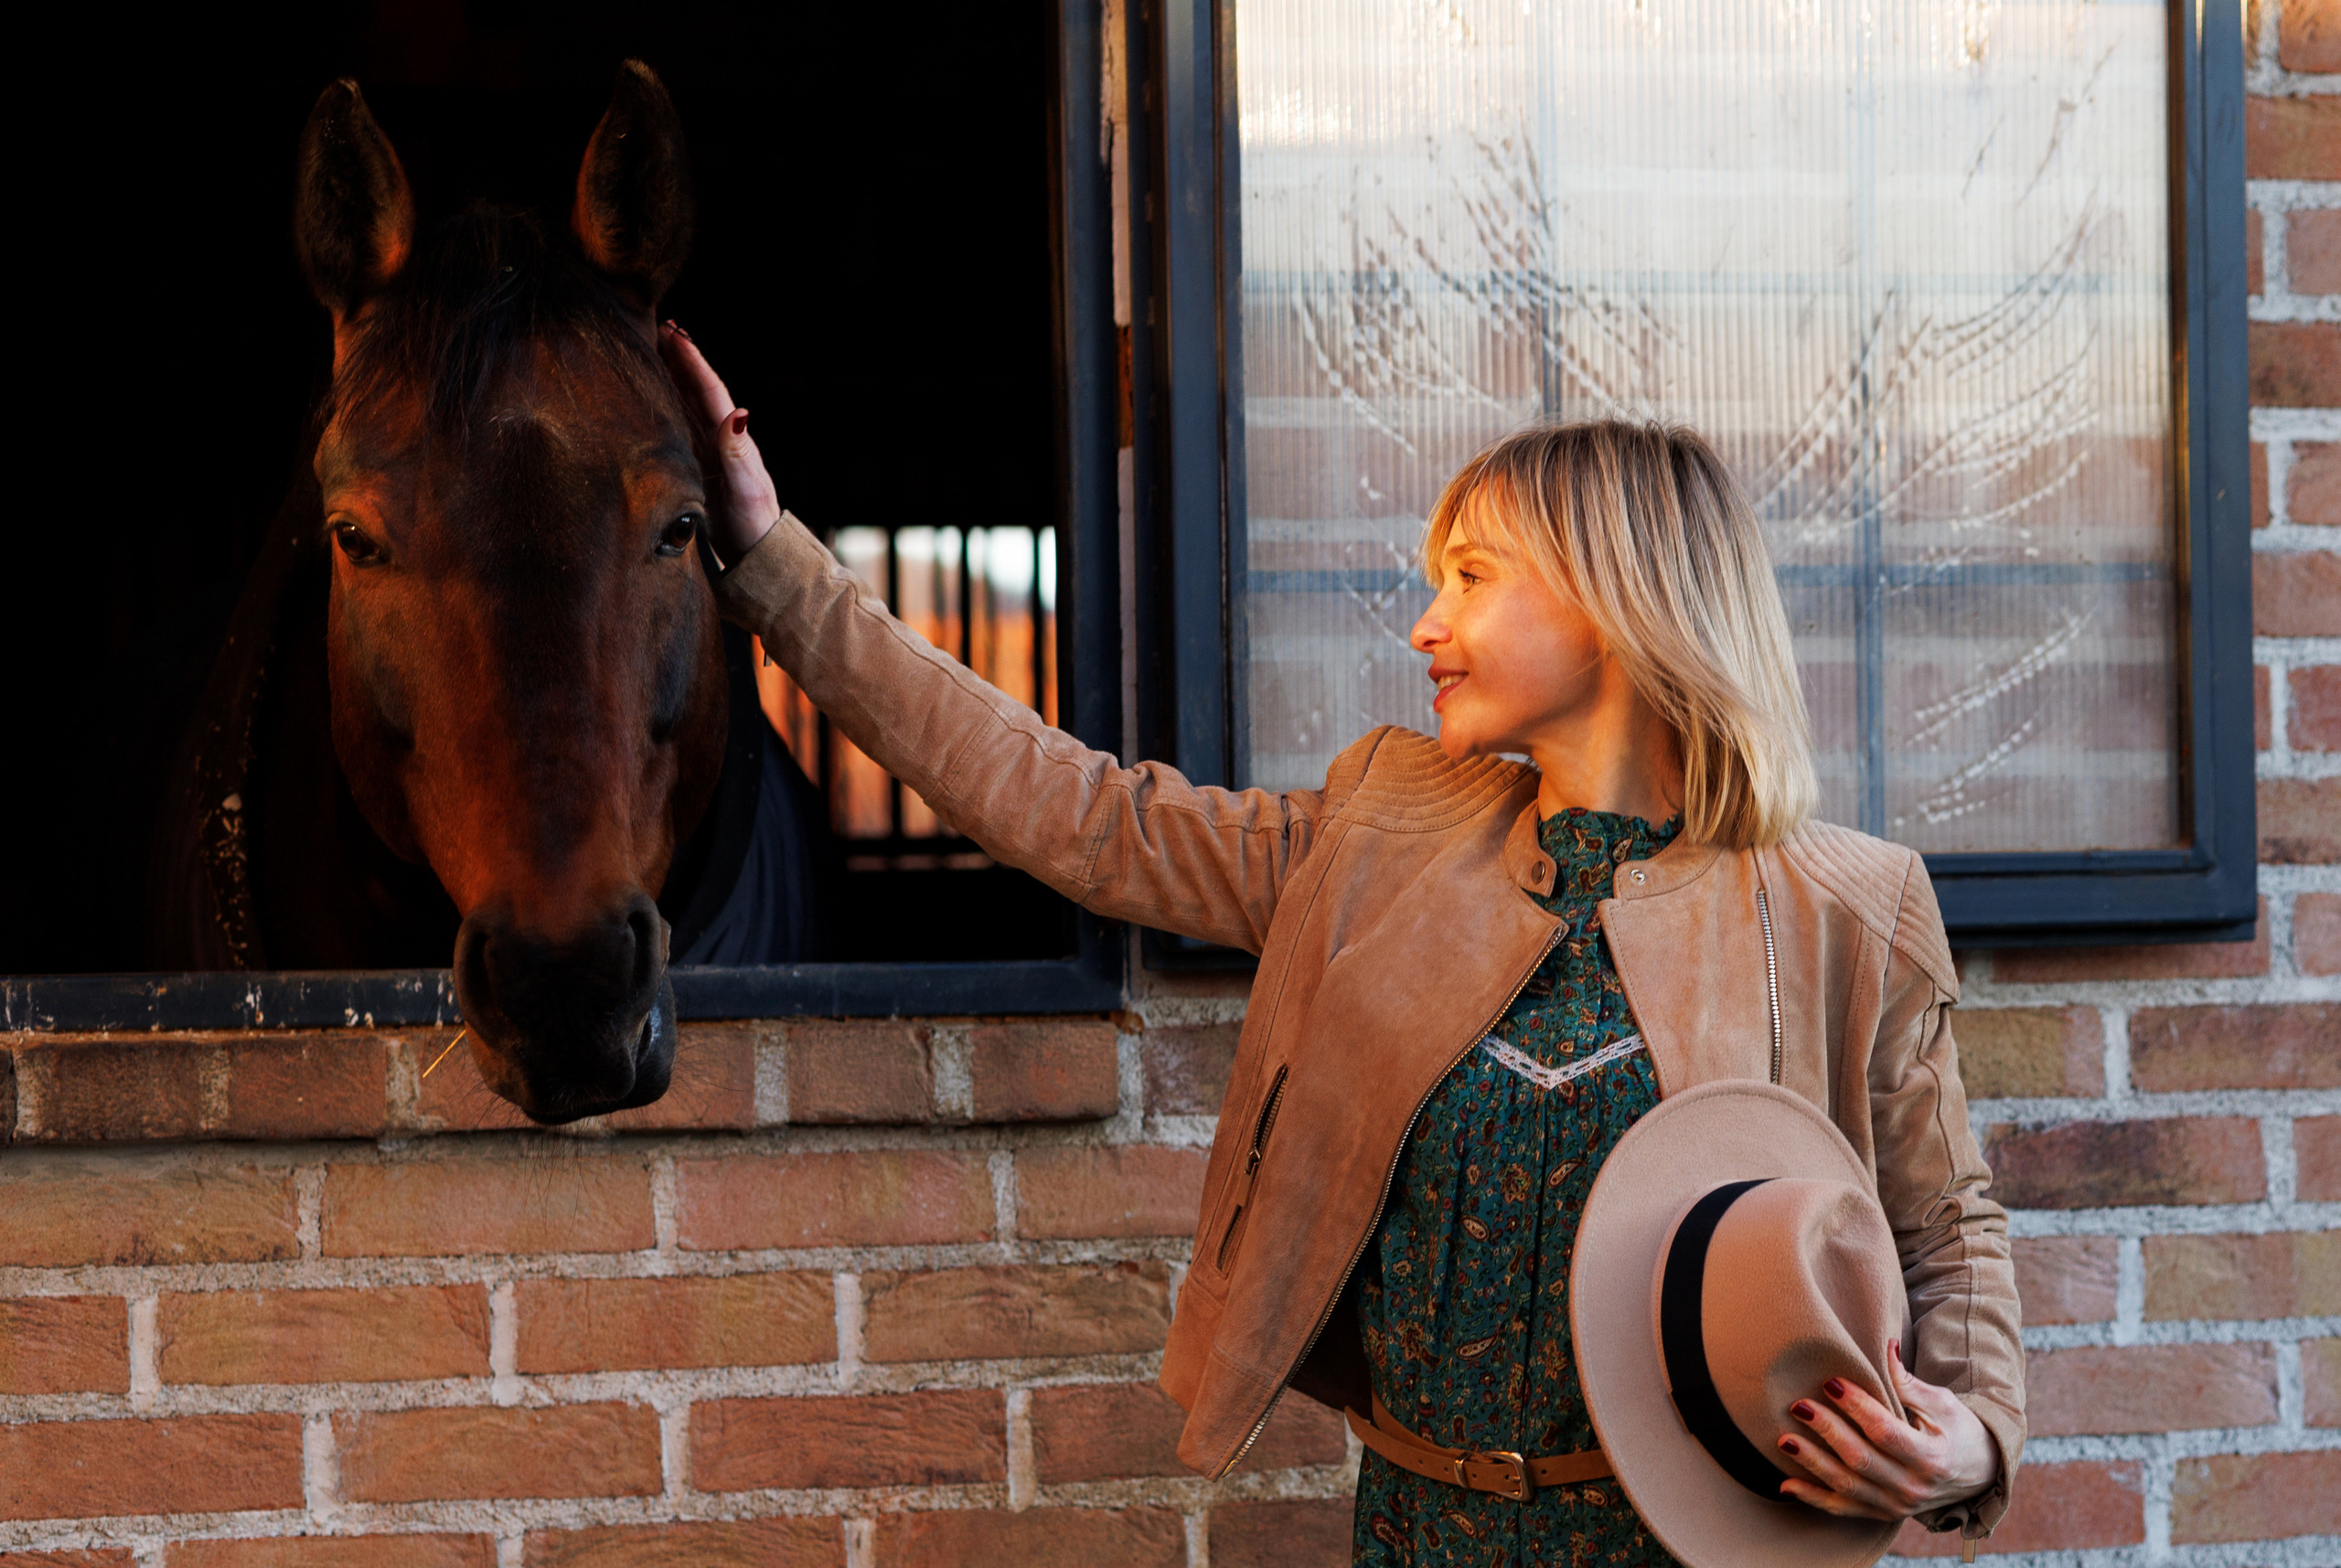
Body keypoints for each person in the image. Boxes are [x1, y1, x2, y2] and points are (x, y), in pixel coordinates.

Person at [658, 323, 2023, 1565]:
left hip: (1699, 1542)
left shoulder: (1850, 908)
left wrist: (1972, 1439)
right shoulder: (1377, 830)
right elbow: (1075, 813)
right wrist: (779, 567)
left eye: (1475, 578)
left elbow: (1946, 1224)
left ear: (1618, 600)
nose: (1429, 622)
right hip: (1415, 1531)